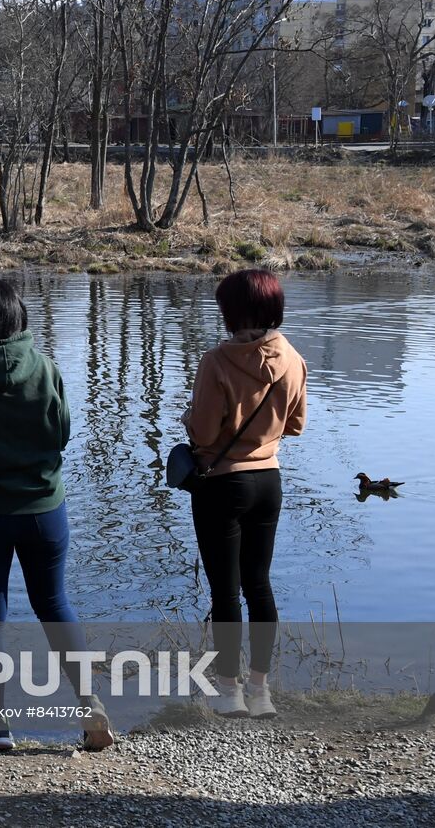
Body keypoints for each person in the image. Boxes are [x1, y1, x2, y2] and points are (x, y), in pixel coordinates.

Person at [0, 278, 114, 752]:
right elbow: (61, 436)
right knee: (55, 604)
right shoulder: (47, 370)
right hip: (44, 512)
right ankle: (90, 706)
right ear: (19, 321)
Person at [184, 268, 307, 719]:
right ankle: (261, 691)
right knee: (259, 584)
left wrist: (190, 421)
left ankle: (229, 691)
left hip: (222, 484)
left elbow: (201, 431)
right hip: (269, 482)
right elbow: (295, 425)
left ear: (231, 313)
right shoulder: (292, 357)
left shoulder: (216, 362)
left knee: (225, 591)